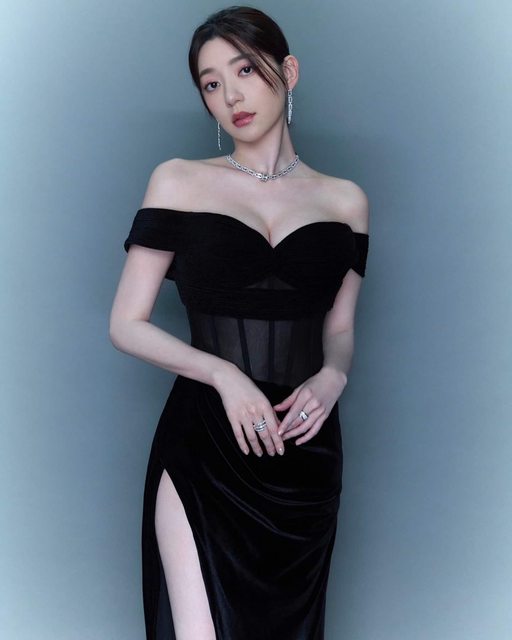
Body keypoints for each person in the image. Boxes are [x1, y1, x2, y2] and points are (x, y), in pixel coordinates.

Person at [109, 5, 369, 639]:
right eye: (211, 83)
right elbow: (127, 323)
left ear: (289, 71)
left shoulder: (346, 200)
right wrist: (224, 375)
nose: (230, 95)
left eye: (245, 70)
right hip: (205, 439)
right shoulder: (178, 181)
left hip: (305, 449)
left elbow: (339, 329)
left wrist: (333, 377)